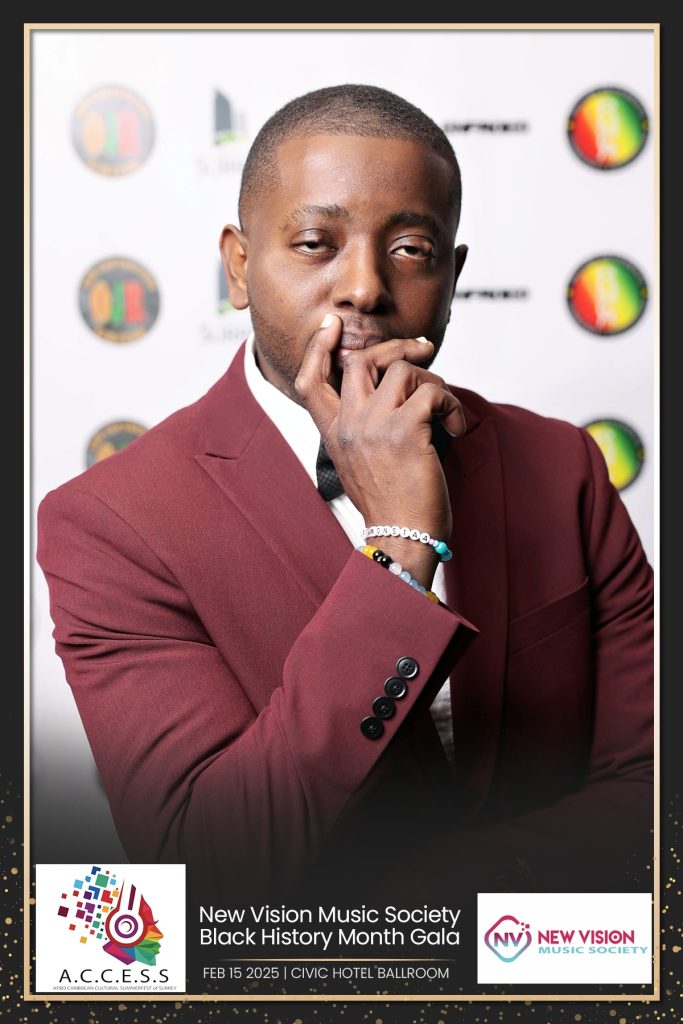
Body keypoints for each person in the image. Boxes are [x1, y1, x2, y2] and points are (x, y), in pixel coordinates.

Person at [37, 84, 653, 909]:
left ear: (451, 276)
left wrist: (438, 905)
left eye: (410, 248)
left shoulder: (560, 465)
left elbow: (649, 792)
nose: (363, 287)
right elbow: (204, 862)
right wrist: (400, 541)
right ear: (239, 266)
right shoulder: (112, 521)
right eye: (314, 243)